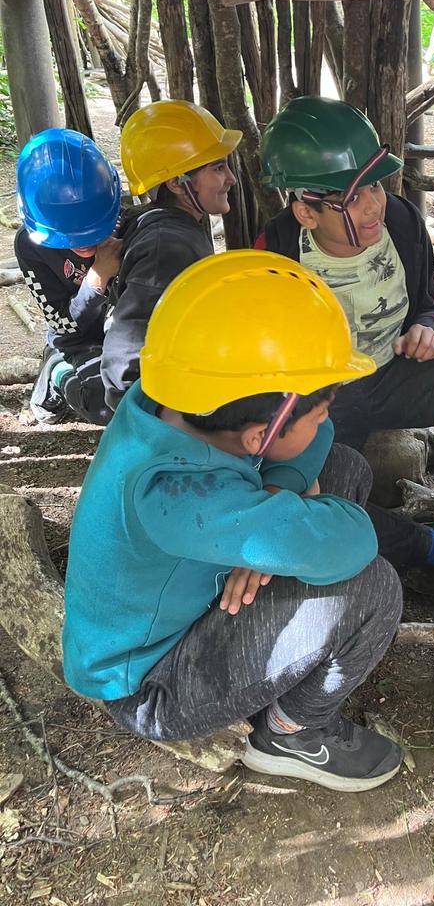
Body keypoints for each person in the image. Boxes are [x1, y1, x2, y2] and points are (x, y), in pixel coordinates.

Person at [63, 250, 404, 792]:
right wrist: (270, 529)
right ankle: (291, 733)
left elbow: (317, 450)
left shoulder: (174, 395)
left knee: (343, 468)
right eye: (319, 412)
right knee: (374, 588)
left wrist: (277, 494)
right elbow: (356, 542)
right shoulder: (174, 490)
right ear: (257, 438)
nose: (327, 422)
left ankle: (275, 545)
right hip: (151, 682)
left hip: (192, 580)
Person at [257, 96, 434, 581]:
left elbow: (426, 301)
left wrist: (427, 327)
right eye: (353, 198)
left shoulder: (400, 220)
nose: (374, 203)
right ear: (306, 213)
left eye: (375, 185)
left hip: (394, 372)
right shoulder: (277, 251)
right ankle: (429, 548)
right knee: (330, 498)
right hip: (324, 400)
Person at [101, 99, 240, 410]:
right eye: (218, 168)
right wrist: (145, 419)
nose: (231, 178)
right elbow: (129, 345)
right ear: (177, 182)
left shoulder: (165, 222)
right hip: (161, 407)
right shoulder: (168, 246)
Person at [14, 128, 122, 425]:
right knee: (104, 404)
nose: (83, 239)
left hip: (125, 333)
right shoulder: (30, 245)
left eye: (92, 226)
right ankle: (58, 370)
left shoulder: (127, 221)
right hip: (78, 339)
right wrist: (97, 277)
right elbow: (62, 323)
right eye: (67, 234)